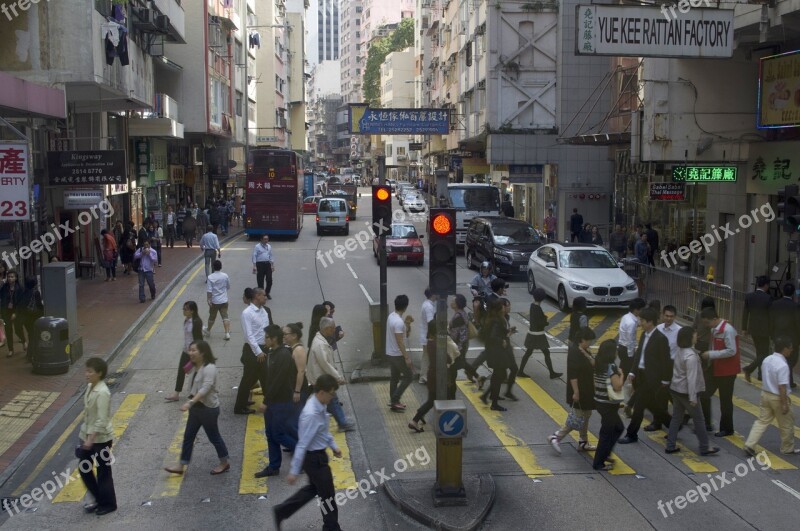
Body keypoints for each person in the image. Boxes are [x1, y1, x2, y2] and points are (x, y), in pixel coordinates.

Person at [273, 374, 343, 531]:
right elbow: (302, 444)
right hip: (314, 460)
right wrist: (294, 471)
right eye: (331, 393)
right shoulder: (311, 414)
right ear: (322, 392)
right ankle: (331, 528)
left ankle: (281, 511)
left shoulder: (320, 405)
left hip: (317, 456)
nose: (333, 397)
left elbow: (323, 430)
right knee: (328, 496)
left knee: (313, 490)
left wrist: (333, 446)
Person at [165, 341, 230, 476]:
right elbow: (185, 371)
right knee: (188, 436)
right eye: (190, 350)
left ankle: (224, 462)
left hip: (208, 409)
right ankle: (181, 465)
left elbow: (205, 388)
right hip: (196, 409)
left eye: (194, 350)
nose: (191, 353)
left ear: (203, 352)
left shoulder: (210, 368)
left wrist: (190, 402)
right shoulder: (195, 366)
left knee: (214, 437)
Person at [618, 307, 673, 444]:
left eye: (642, 320)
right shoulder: (643, 335)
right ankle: (672, 423)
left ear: (650, 322)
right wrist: (632, 371)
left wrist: (666, 380)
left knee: (639, 406)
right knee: (652, 405)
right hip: (641, 376)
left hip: (652, 378)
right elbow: (639, 356)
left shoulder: (661, 339)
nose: (639, 322)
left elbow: (666, 361)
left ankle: (631, 434)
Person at [665, 327, 719, 456]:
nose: (697, 337)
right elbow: (691, 378)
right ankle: (705, 447)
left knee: (676, 417)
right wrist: (693, 397)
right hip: (686, 392)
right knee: (699, 420)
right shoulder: (691, 356)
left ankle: (670, 445)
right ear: (689, 338)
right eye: (695, 334)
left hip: (676, 389)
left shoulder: (680, 351)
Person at [254, 325, 299, 478]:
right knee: (270, 434)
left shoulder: (284, 355)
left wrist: (266, 401)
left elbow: (278, 381)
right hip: (272, 401)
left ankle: (304, 454)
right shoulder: (271, 353)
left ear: (274, 339)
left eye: (266, 337)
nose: (264, 340)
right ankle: (274, 466)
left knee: (278, 434)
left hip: (281, 401)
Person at [744, 336, 800, 456]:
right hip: (778, 398)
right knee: (786, 425)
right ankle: (787, 448)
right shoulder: (783, 365)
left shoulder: (767, 359)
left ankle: (750, 444)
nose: (791, 350)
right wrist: (784, 404)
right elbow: (782, 387)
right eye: (790, 348)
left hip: (765, 394)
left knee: (761, 421)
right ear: (784, 349)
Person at [77, 357, 117, 515]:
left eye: (90, 371)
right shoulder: (89, 387)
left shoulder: (102, 392)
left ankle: (109, 504)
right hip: (87, 435)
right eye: (86, 371)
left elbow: (102, 420)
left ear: (99, 373)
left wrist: (90, 439)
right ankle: (99, 499)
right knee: (84, 468)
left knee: (103, 471)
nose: (86, 374)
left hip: (101, 439)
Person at [548, 327, 597, 453]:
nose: (590, 343)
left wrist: (586, 353)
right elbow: (573, 374)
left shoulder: (584, 350)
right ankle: (556, 436)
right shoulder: (574, 352)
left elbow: (594, 364)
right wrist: (576, 391)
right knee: (577, 417)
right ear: (582, 340)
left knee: (586, 415)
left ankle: (583, 442)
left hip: (588, 389)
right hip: (579, 389)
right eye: (589, 340)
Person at [409, 318, 460, 432]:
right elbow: (447, 358)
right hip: (439, 376)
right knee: (447, 397)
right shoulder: (438, 344)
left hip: (432, 374)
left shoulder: (430, 342)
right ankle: (447, 424)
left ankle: (417, 417)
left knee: (431, 400)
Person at [307, 317, 355, 431]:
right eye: (333, 328)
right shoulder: (320, 344)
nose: (334, 331)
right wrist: (338, 377)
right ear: (327, 328)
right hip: (322, 379)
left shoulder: (320, 340)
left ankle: (341, 423)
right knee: (331, 401)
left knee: (330, 402)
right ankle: (342, 423)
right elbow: (325, 364)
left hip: (320, 378)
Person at [698, 307, 740, 437]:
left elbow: (732, 350)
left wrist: (711, 354)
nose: (706, 325)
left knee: (725, 401)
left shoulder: (728, 330)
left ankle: (727, 428)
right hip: (715, 368)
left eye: (707, 322)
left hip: (727, 371)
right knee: (704, 393)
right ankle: (707, 422)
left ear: (715, 319)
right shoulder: (714, 330)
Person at [234, 288, 271, 414]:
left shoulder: (264, 311)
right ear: (257, 296)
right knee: (248, 379)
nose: (266, 297)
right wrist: (258, 352)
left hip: (263, 349)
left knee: (264, 377)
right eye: (264, 295)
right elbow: (249, 335)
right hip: (253, 350)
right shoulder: (247, 313)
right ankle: (239, 407)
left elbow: (266, 330)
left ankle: (268, 403)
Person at [592, 340, 625, 471]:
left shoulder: (598, 362)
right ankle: (598, 463)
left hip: (600, 402)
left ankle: (605, 454)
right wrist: (621, 374)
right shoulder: (611, 366)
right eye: (615, 350)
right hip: (608, 404)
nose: (617, 352)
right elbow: (617, 386)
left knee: (618, 427)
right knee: (606, 433)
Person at [479, 299, 515, 411]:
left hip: (493, 352)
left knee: (497, 376)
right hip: (497, 353)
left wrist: (507, 332)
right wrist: (502, 341)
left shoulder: (492, 319)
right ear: (499, 309)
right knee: (498, 377)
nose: (505, 308)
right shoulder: (496, 321)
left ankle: (489, 397)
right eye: (502, 307)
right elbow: (493, 336)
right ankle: (494, 403)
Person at [166, 301, 204, 402]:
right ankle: (176, 394)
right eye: (183, 309)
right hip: (186, 350)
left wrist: (198, 352)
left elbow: (199, 338)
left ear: (192, 311)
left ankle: (202, 392)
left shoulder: (196, 322)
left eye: (185, 309)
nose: (183, 311)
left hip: (195, 352)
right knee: (181, 371)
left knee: (199, 372)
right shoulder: (187, 320)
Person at [519, 288, 561, 379]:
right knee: (546, 352)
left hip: (532, 333)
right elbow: (540, 323)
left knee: (528, 353)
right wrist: (545, 321)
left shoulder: (532, 306)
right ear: (542, 298)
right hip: (538, 335)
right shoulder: (538, 308)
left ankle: (520, 371)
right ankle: (552, 373)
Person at [743, 276, 773, 382]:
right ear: (765, 285)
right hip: (764, 330)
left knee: (759, 352)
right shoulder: (768, 298)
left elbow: (745, 313)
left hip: (753, 329)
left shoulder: (749, 296)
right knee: (764, 353)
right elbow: (771, 316)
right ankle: (749, 369)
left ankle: (761, 374)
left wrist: (744, 328)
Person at [387, 294, 414, 412]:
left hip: (390, 353)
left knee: (394, 378)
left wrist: (407, 325)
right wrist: (407, 357)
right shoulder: (398, 322)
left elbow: (401, 335)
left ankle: (393, 401)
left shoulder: (391, 316)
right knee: (409, 376)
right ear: (405, 306)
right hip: (397, 355)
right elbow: (400, 341)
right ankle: (395, 399)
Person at [769, 283, 798, 389]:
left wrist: (772, 335)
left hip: (778, 336)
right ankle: (787, 381)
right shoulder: (795, 306)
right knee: (791, 359)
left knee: (778, 357)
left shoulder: (775, 304)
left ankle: (780, 379)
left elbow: (771, 320)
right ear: (793, 293)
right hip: (792, 337)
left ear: (782, 291)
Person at [283, 322, 309, 410]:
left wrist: (297, 391)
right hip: (293, 387)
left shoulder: (298, 350)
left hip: (299, 390)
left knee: (298, 414)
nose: (283, 336)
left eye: (285, 334)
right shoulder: (291, 348)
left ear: (294, 336)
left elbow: (301, 372)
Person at [204, 260, 231, 340]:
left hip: (214, 301)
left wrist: (209, 299)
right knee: (225, 316)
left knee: (212, 317)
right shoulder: (225, 276)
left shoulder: (210, 277)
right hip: (224, 300)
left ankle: (208, 330)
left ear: (213, 267)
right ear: (221, 267)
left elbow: (209, 290)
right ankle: (227, 333)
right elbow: (228, 286)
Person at [0, 270, 25, 357]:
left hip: (17, 311)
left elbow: (21, 302)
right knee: (8, 330)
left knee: (18, 329)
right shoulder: (4, 287)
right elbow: (2, 300)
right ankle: (11, 350)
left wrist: (16, 313)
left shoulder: (20, 288)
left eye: (12, 277)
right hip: (7, 311)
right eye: (9, 277)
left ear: (16, 278)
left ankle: (23, 340)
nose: (10, 278)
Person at [19, 278, 44, 363]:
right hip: (34, 317)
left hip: (25, 319)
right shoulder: (35, 292)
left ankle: (29, 354)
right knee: (33, 336)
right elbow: (39, 305)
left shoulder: (23, 292)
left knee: (30, 335)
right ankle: (30, 355)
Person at [419, 289, 437, 384]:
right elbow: (431, 322)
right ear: (433, 294)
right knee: (428, 356)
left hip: (426, 335)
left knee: (426, 356)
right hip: (428, 336)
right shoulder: (429, 306)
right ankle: (424, 377)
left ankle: (424, 376)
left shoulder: (427, 304)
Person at [252, 235, 275, 299]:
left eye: (267, 239)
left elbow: (271, 255)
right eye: (264, 239)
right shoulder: (257, 246)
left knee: (269, 280)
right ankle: (261, 295)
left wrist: (272, 265)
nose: (266, 240)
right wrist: (254, 266)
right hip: (260, 264)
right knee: (260, 281)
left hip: (267, 264)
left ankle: (267, 293)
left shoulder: (269, 246)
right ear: (261, 239)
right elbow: (254, 255)